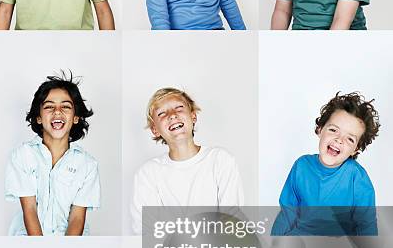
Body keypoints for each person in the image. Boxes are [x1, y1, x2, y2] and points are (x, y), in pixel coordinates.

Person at [131, 87, 244, 234]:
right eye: (162, 113)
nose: (172, 115)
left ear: (193, 116)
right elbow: (145, 231)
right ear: (155, 130)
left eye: (178, 108)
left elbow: (231, 220)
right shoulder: (147, 174)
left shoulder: (220, 160)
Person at [272, 92, 380, 236]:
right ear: (320, 129)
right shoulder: (302, 166)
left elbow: (366, 225)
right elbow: (287, 213)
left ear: (356, 149)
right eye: (333, 130)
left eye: (350, 139)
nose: (339, 139)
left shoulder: (357, 178)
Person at [5, 72, 100, 235]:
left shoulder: (87, 164)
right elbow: (29, 210)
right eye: (49, 106)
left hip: (72, 243)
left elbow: (77, 218)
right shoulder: (23, 155)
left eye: (66, 106)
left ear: (76, 117)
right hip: (29, 239)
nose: (57, 112)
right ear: (39, 118)